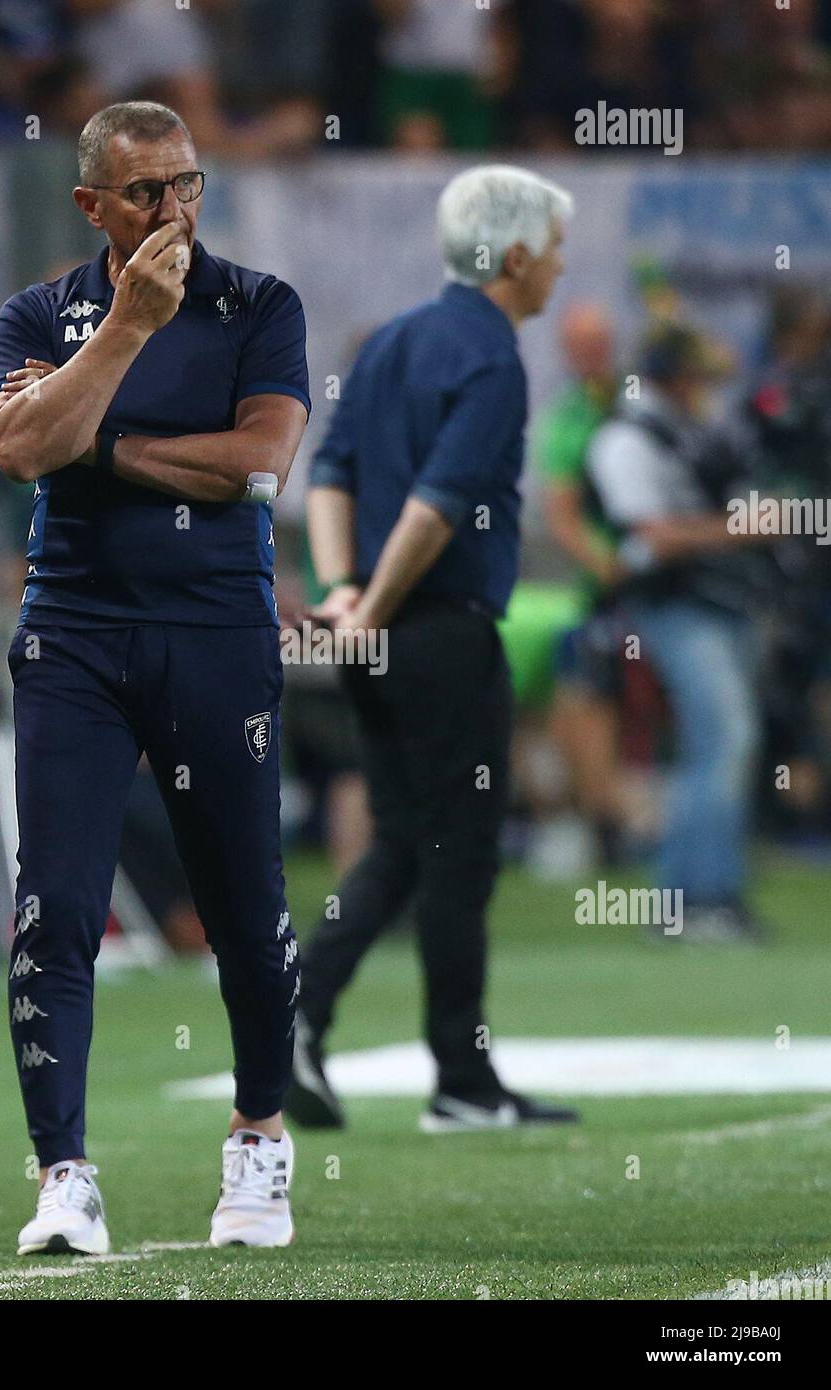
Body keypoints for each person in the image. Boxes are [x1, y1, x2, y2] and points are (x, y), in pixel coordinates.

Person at [0, 101, 310, 1252]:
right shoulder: (43, 310)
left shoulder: (259, 306)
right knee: (54, 909)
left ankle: (259, 1136)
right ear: (93, 207)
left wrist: (100, 440)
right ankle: (63, 1174)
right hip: (72, 631)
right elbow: (22, 449)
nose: (174, 210)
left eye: (188, 185)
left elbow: (258, 464)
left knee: (244, 908)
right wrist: (122, 333)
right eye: (145, 193)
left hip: (215, 629)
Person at [286, 164, 580, 1133]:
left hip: (375, 631)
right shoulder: (491, 356)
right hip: (440, 630)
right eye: (554, 246)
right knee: (458, 858)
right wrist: (378, 600)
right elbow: (442, 502)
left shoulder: (395, 339)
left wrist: (343, 592)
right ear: (517, 254)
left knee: (404, 845)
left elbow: (329, 471)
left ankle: (293, 1022)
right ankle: (461, 1080)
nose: (561, 266)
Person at [585, 324, 768, 941]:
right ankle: (696, 900)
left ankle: (698, 898)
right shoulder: (625, 438)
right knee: (724, 739)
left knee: (715, 745)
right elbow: (650, 535)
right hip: (674, 606)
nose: (706, 389)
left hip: (716, 604)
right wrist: (739, 528)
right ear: (673, 376)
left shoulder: (686, 432)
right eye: (697, 376)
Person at [536, 302, 627, 862]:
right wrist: (610, 565)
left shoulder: (635, 400)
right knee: (584, 696)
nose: (591, 353)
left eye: (599, 340)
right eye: (580, 343)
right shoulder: (569, 417)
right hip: (610, 589)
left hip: (676, 579)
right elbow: (561, 509)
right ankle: (601, 819)